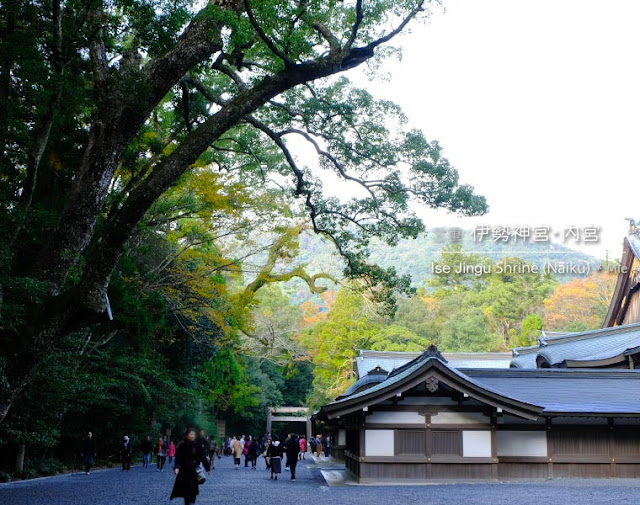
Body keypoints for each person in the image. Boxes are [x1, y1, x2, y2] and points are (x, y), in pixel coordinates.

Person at [170, 428, 211, 505]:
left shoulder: (197, 445)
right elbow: (178, 458)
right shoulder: (181, 446)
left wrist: (207, 468)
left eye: (194, 434)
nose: (193, 436)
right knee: (186, 490)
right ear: (186, 435)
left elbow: (202, 457)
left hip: (193, 470)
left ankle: (192, 502)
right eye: (191, 434)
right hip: (184, 470)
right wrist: (176, 467)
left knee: (193, 489)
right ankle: (187, 503)